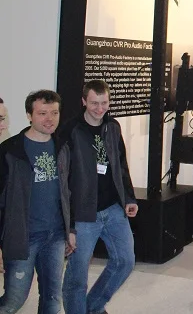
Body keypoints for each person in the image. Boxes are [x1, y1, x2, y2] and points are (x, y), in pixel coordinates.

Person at [62, 80, 138, 314]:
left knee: (125, 261)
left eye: (104, 103)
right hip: (83, 214)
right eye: (94, 103)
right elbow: (63, 178)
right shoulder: (70, 130)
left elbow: (121, 165)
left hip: (113, 208)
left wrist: (129, 198)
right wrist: (69, 224)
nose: (100, 108)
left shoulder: (113, 127)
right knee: (77, 276)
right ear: (84, 101)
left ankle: (92, 307)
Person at [0, 90, 72, 314]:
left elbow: (69, 192)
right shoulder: (9, 151)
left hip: (56, 236)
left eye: (54, 113)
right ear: (29, 116)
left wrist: (71, 230)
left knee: (53, 299)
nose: (49, 119)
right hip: (23, 237)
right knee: (13, 301)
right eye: (42, 113)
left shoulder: (63, 147)